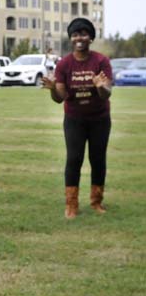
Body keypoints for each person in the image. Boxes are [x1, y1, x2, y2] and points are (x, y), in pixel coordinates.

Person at [42, 17, 112, 219]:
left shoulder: (101, 61)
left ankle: (96, 202)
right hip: (74, 120)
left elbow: (107, 93)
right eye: (74, 34)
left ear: (90, 38)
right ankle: (71, 205)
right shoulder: (64, 64)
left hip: (100, 119)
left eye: (83, 34)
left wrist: (101, 87)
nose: (79, 38)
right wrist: (53, 89)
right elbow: (60, 98)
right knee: (74, 159)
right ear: (70, 39)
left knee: (98, 159)